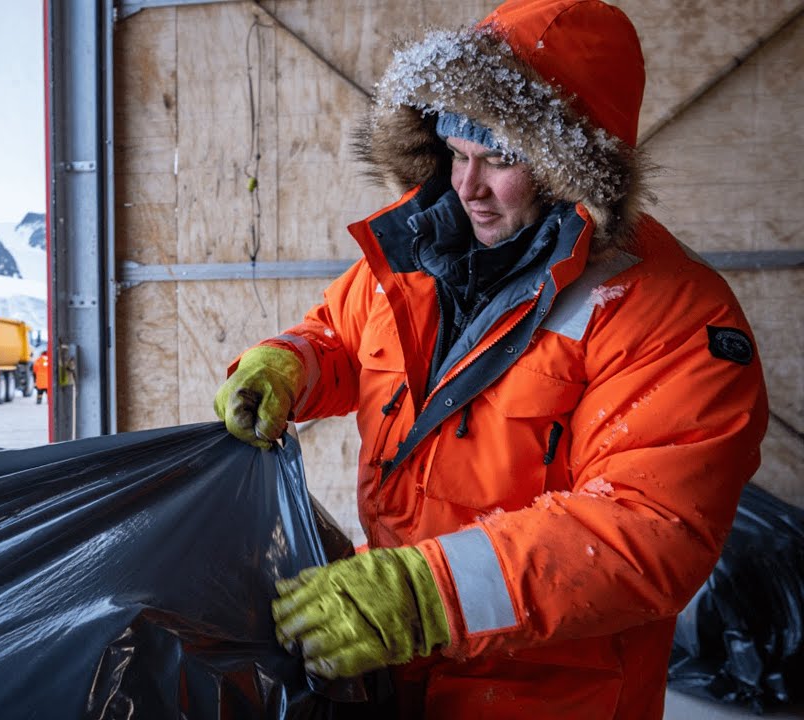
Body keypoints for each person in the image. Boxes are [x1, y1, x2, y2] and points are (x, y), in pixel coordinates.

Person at [213, 1, 769, 716]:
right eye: (456, 151)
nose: (467, 186)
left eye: (500, 158)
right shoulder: (426, 254)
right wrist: (288, 363)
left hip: (550, 697)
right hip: (394, 670)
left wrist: (426, 595)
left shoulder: (673, 315)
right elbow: (339, 335)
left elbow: (650, 528)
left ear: (572, 168)